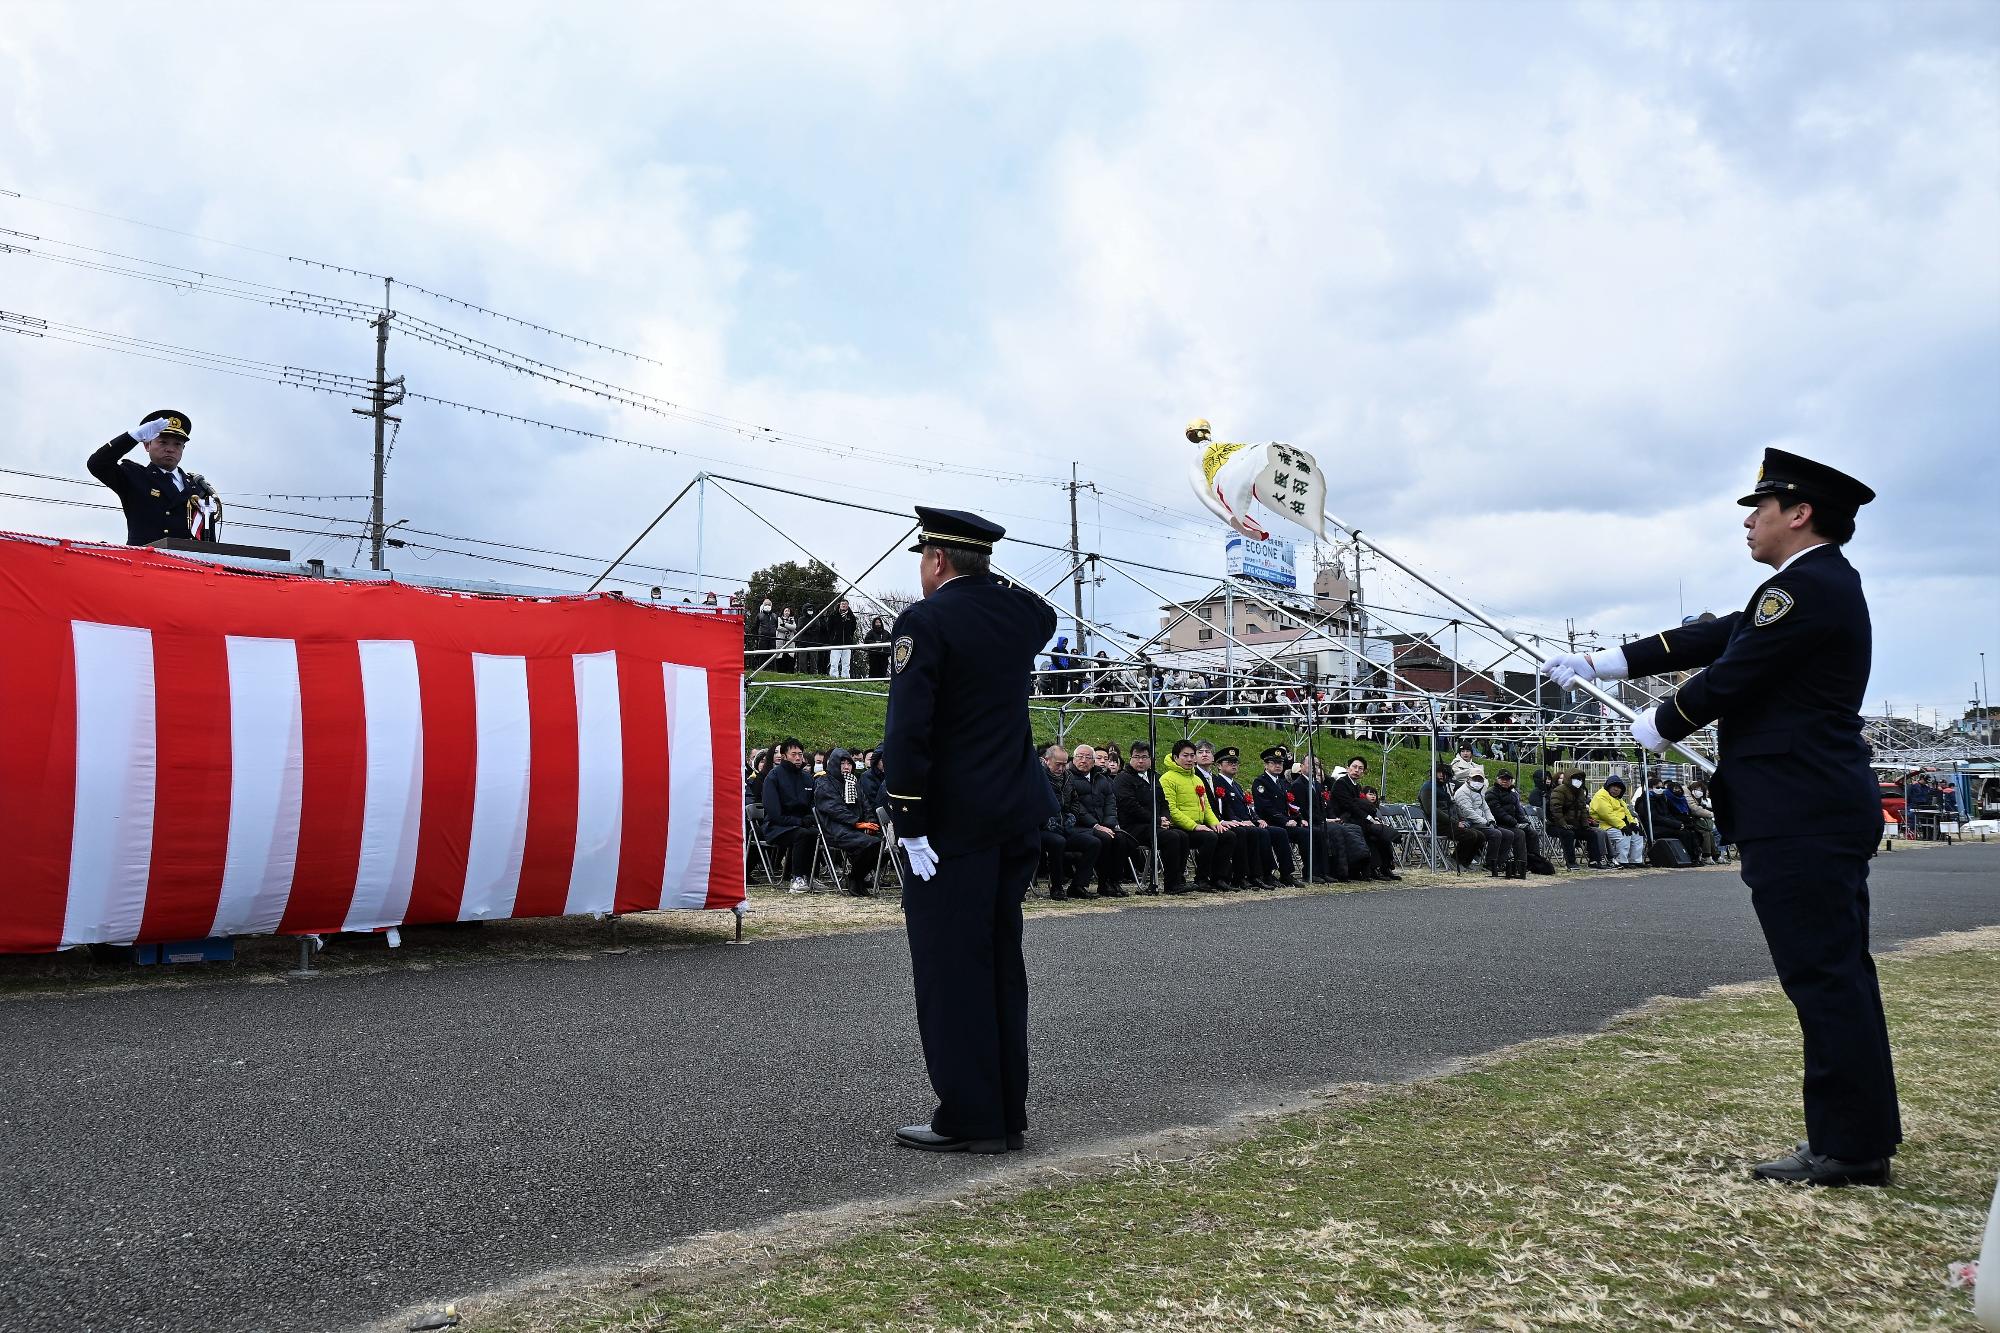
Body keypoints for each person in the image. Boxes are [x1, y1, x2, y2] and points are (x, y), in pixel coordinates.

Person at [1544, 448, 1896, 1187]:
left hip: (1800, 810)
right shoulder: (1805, 588)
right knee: (1833, 974)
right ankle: (1854, 1134)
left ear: (1798, 512)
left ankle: (1850, 1146)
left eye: (1760, 506)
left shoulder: (1807, 588)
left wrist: (1663, 721)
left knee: (1824, 976)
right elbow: (1715, 636)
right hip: (1808, 807)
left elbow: (1735, 671)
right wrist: (1606, 662)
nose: (1749, 518)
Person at [884, 506, 1054, 1155]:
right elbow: (1044, 612)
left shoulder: (923, 621)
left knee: (952, 971)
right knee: (999, 966)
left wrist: (911, 823)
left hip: (951, 828)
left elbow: (907, 733)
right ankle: (1006, 1110)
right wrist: (986, 578)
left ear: (935, 560)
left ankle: (970, 1116)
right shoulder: (1017, 617)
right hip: (1014, 817)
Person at [87, 410, 222, 546]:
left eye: (177, 444)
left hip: (189, 564)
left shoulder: (198, 487)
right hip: (146, 562)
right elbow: (97, 464)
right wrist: (133, 436)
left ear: (183, 448)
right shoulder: (134, 476)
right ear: (147, 445)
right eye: (163, 442)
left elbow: (208, 541)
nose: (170, 449)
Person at [1065, 744, 1136, 898]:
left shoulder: (1101, 778)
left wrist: (1108, 824)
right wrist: (1096, 825)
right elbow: (1077, 807)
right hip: (1078, 826)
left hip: (1102, 825)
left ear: (1093, 761)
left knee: (1121, 839)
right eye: (1079, 757)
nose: (1083, 760)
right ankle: (1080, 885)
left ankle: (1111, 882)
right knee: (1103, 839)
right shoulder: (1068, 777)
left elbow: (1111, 802)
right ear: (1073, 758)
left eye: (1088, 758)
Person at [1115, 741, 1185, 893]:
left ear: (1151, 759)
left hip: (1155, 824)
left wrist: (1165, 818)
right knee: (1171, 838)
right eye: (1137, 757)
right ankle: (1171, 884)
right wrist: (1157, 820)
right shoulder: (1123, 779)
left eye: (1145, 757)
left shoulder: (1155, 777)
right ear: (1130, 758)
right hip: (1134, 827)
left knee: (1182, 835)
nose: (1141, 761)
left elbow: (1164, 802)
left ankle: (1179, 879)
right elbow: (1130, 807)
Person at [1160, 738, 1230, 891]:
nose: (1190, 759)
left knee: (1227, 835)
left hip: (1198, 825)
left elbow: (1206, 807)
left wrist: (1214, 822)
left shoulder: (1196, 778)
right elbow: (1171, 810)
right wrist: (1194, 826)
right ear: (1175, 757)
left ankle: (1219, 878)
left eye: (1192, 755)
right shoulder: (1167, 779)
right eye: (1185, 756)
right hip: (1181, 827)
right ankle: (1201, 878)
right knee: (1209, 837)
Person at [813, 748, 883, 895]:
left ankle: (857, 877)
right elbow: (834, 809)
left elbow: (866, 806)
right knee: (870, 844)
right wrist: (857, 822)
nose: (846, 767)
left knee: (881, 843)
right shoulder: (824, 782)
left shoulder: (853, 783)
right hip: (834, 830)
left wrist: (870, 822)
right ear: (833, 764)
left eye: (849, 763)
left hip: (854, 828)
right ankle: (854, 878)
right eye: (842, 763)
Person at [1037, 741, 1099, 900]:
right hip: (1041, 828)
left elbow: (1075, 801)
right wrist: (1046, 821)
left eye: (1065, 764)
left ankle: (1078, 885)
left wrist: (1072, 816)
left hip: (1064, 825)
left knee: (1093, 842)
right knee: (1057, 842)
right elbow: (1031, 804)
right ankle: (1056, 887)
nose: (1062, 768)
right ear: (1046, 760)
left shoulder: (1068, 777)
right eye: (1058, 764)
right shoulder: (1037, 777)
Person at [1213, 748, 1277, 888]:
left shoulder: (1236, 785)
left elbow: (1248, 806)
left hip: (1243, 821)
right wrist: (1240, 821)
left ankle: (1262, 874)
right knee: (1248, 832)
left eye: (1235, 762)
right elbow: (1225, 808)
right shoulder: (1217, 782)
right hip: (1229, 822)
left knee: (1263, 831)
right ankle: (1241, 876)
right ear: (1219, 765)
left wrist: (1256, 819)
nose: (1234, 765)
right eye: (1229, 762)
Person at [760, 738, 817, 891]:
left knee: (815, 833)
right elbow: (773, 812)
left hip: (801, 824)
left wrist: (809, 818)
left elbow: (812, 805)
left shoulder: (807, 778)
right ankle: (797, 878)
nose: (798, 758)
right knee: (802, 834)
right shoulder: (773, 776)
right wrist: (798, 821)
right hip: (777, 826)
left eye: (800, 754)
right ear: (784, 756)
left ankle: (810, 876)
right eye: (793, 754)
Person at [1332, 757, 1401, 881]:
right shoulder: (1341, 783)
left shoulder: (1357, 786)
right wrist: (1369, 818)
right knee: (1373, 831)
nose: (1356, 770)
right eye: (1354, 767)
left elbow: (1360, 806)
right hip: (1344, 819)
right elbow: (1350, 806)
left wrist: (1372, 818)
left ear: (1363, 772)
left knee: (1380, 834)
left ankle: (1386, 867)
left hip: (1356, 818)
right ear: (1348, 768)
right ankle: (1374, 868)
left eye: (1360, 768)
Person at [1251, 746, 1308, 886]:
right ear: (1266, 764)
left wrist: (1300, 819)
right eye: (1273, 763)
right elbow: (1266, 807)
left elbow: (1291, 805)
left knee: (1306, 833)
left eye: (1280, 763)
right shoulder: (1260, 782)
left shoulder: (1282, 783)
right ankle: (1286, 873)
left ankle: (1311, 871)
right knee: (1280, 833)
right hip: (1270, 822)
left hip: (1284, 822)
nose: (1277, 766)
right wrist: (1285, 820)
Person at [1450, 771, 1509, 874]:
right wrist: (1485, 822)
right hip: (1469, 822)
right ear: (1468, 779)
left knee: (1508, 834)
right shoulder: (1462, 792)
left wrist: (1491, 820)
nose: (1477, 782)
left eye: (1480, 780)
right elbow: (1468, 812)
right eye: (1475, 779)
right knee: (1495, 834)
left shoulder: (1479, 792)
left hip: (1481, 822)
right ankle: (1490, 864)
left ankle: (1499, 862)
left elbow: (1486, 809)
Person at [1547, 770, 1607, 870]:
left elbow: (1583, 810)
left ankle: (1594, 860)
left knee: (1592, 834)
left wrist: (1585, 826)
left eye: (1580, 779)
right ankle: (1571, 862)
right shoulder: (1559, 791)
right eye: (1575, 778)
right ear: (1568, 779)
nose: (1578, 781)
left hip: (1575, 825)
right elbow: (1556, 810)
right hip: (1556, 825)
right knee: (1568, 834)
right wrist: (1563, 824)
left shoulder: (1580, 792)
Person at [1589, 775, 1647, 865]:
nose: (1616, 789)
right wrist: (1623, 826)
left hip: (1618, 825)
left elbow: (1627, 812)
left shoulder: (1618, 799)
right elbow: (1607, 815)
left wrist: (1632, 824)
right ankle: (1621, 860)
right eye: (1614, 787)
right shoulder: (1601, 796)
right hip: (1604, 826)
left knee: (1637, 834)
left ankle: (1636, 861)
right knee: (1623, 835)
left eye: (1619, 788)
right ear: (1608, 786)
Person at [1484, 769, 1531, 877]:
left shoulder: (1513, 794)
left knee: (1531, 832)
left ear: (1511, 781)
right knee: (1519, 833)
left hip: (1510, 823)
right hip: (1498, 823)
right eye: (1502, 779)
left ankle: (1526, 864)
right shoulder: (1491, 792)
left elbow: (1518, 811)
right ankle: (1499, 863)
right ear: (1497, 779)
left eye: (1507, 779)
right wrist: (1515, 823)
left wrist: (1525, 822)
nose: (1504, 781)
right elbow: (1498, 812)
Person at [827, 598, 859, 679]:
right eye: (842, 604)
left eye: (845, 604)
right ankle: (833, 676)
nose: (844, 605)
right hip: (836, 643)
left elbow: (853, 628)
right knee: (834, 662)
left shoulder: (851, 616)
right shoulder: (833, 615)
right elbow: (829, 628)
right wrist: (833, 637)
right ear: (839, 605)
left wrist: (849, 637)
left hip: (847, 643)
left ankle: (845, 677)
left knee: (846, 663)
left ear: (848, 606)